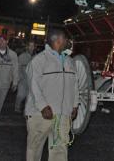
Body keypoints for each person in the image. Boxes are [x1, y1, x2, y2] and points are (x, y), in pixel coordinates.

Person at [25, 29, 79, 161]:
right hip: (40, 114)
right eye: (66, 39)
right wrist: (43, 106)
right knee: (34, 150)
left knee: (60, 151)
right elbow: (33, 86)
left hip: (63, 115)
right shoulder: (39, 60)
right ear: (58, 41)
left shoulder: (69, 61)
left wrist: (74, 105)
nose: (68, 42)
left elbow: (75, 85)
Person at [0, 35, 19, 130]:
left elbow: (15, 69)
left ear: (7, 42)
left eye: (3, 40)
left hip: (5, 85)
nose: (1, 42)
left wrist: (15, 82)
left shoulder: (13, 55)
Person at [15, 41, 35, 113]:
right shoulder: (22, 56)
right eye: (30, 46)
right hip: (23, 79)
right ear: (27, 47)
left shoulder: (36, 57)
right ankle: (17, 107)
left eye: (33, 46)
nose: (31, 47)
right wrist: (17, 79)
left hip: (32, 81)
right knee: (20, 95)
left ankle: (26, 111)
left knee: (29, 97)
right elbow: (17, 68)